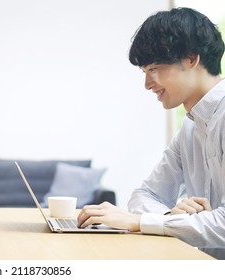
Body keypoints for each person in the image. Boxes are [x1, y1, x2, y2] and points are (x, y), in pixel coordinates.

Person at [77, 7, 225, 259]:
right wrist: (170, 217)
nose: (147, 84)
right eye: (145, 72)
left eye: (154, 68)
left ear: (191, 58)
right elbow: (146, 194)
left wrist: (140, 222)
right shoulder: (190, 128)